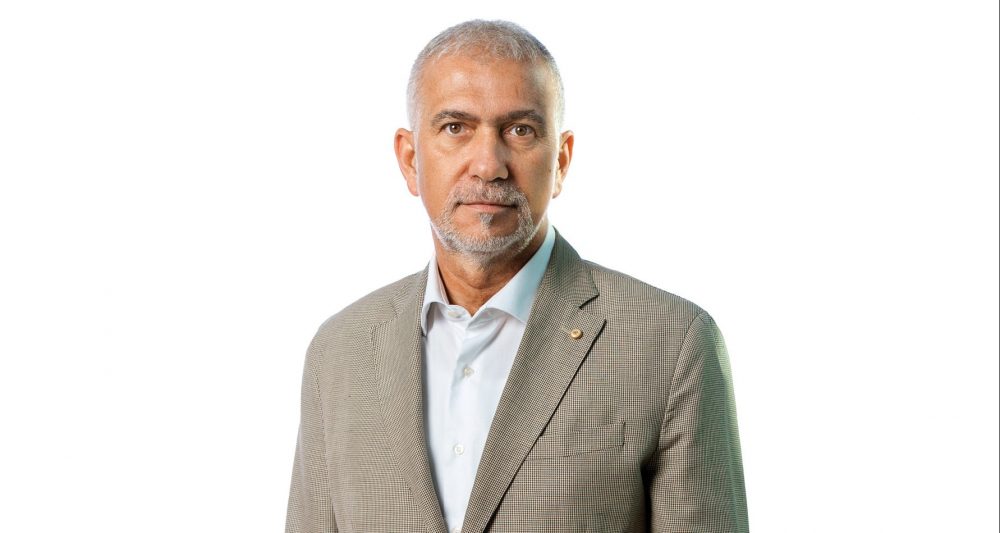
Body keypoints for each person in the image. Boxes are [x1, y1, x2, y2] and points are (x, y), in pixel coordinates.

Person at [286, 19, 748, 533]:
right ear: (410, 159)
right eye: (455, 128)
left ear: (562, 161)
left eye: (520, 130)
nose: (488, 165)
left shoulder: (672, 342)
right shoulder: (339, 351)